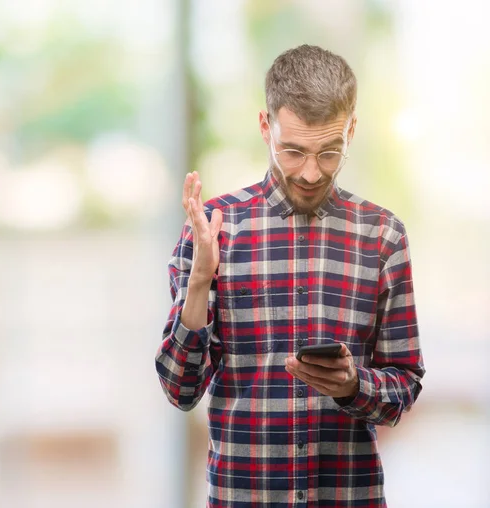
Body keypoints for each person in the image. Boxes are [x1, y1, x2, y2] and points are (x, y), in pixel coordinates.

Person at [155, 44, 425, 508]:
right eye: (294, 151)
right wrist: (200, 280)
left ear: (352, 129)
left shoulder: (383, 236)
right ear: (266, 127)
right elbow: (180, 389)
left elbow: (404, 387)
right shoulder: (216, 229)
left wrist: (352, 386)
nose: (310, 171)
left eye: (329, 152)